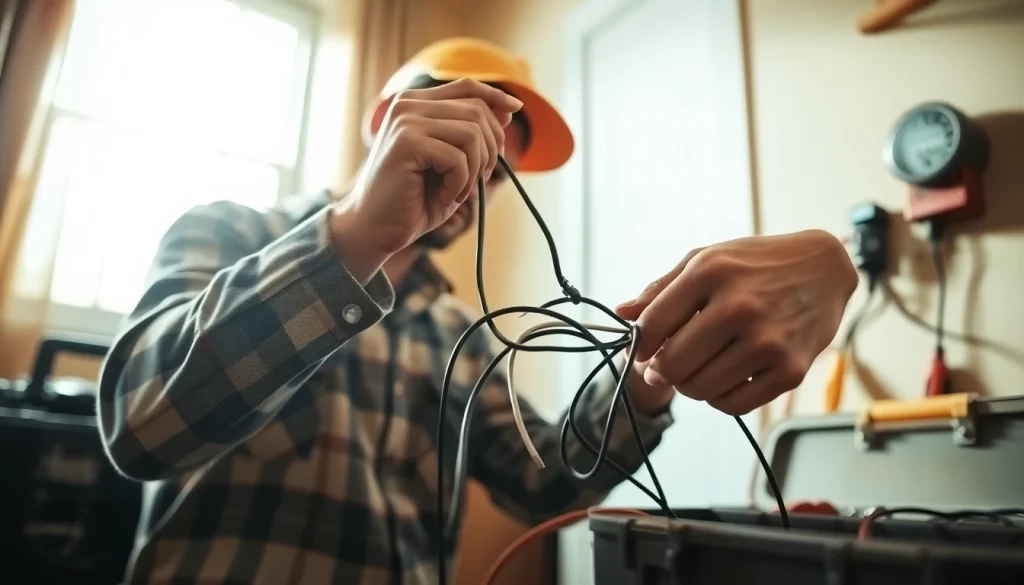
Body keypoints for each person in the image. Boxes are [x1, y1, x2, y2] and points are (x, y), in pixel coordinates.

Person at [97, 37, 857, 584]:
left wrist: (650, 375)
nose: (479, 181)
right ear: (394, 121)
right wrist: (354, 238)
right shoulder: (229, 232)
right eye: (471, 140)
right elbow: (141, 425)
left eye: (500, 170)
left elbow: (550, 481)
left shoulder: (459, 330)